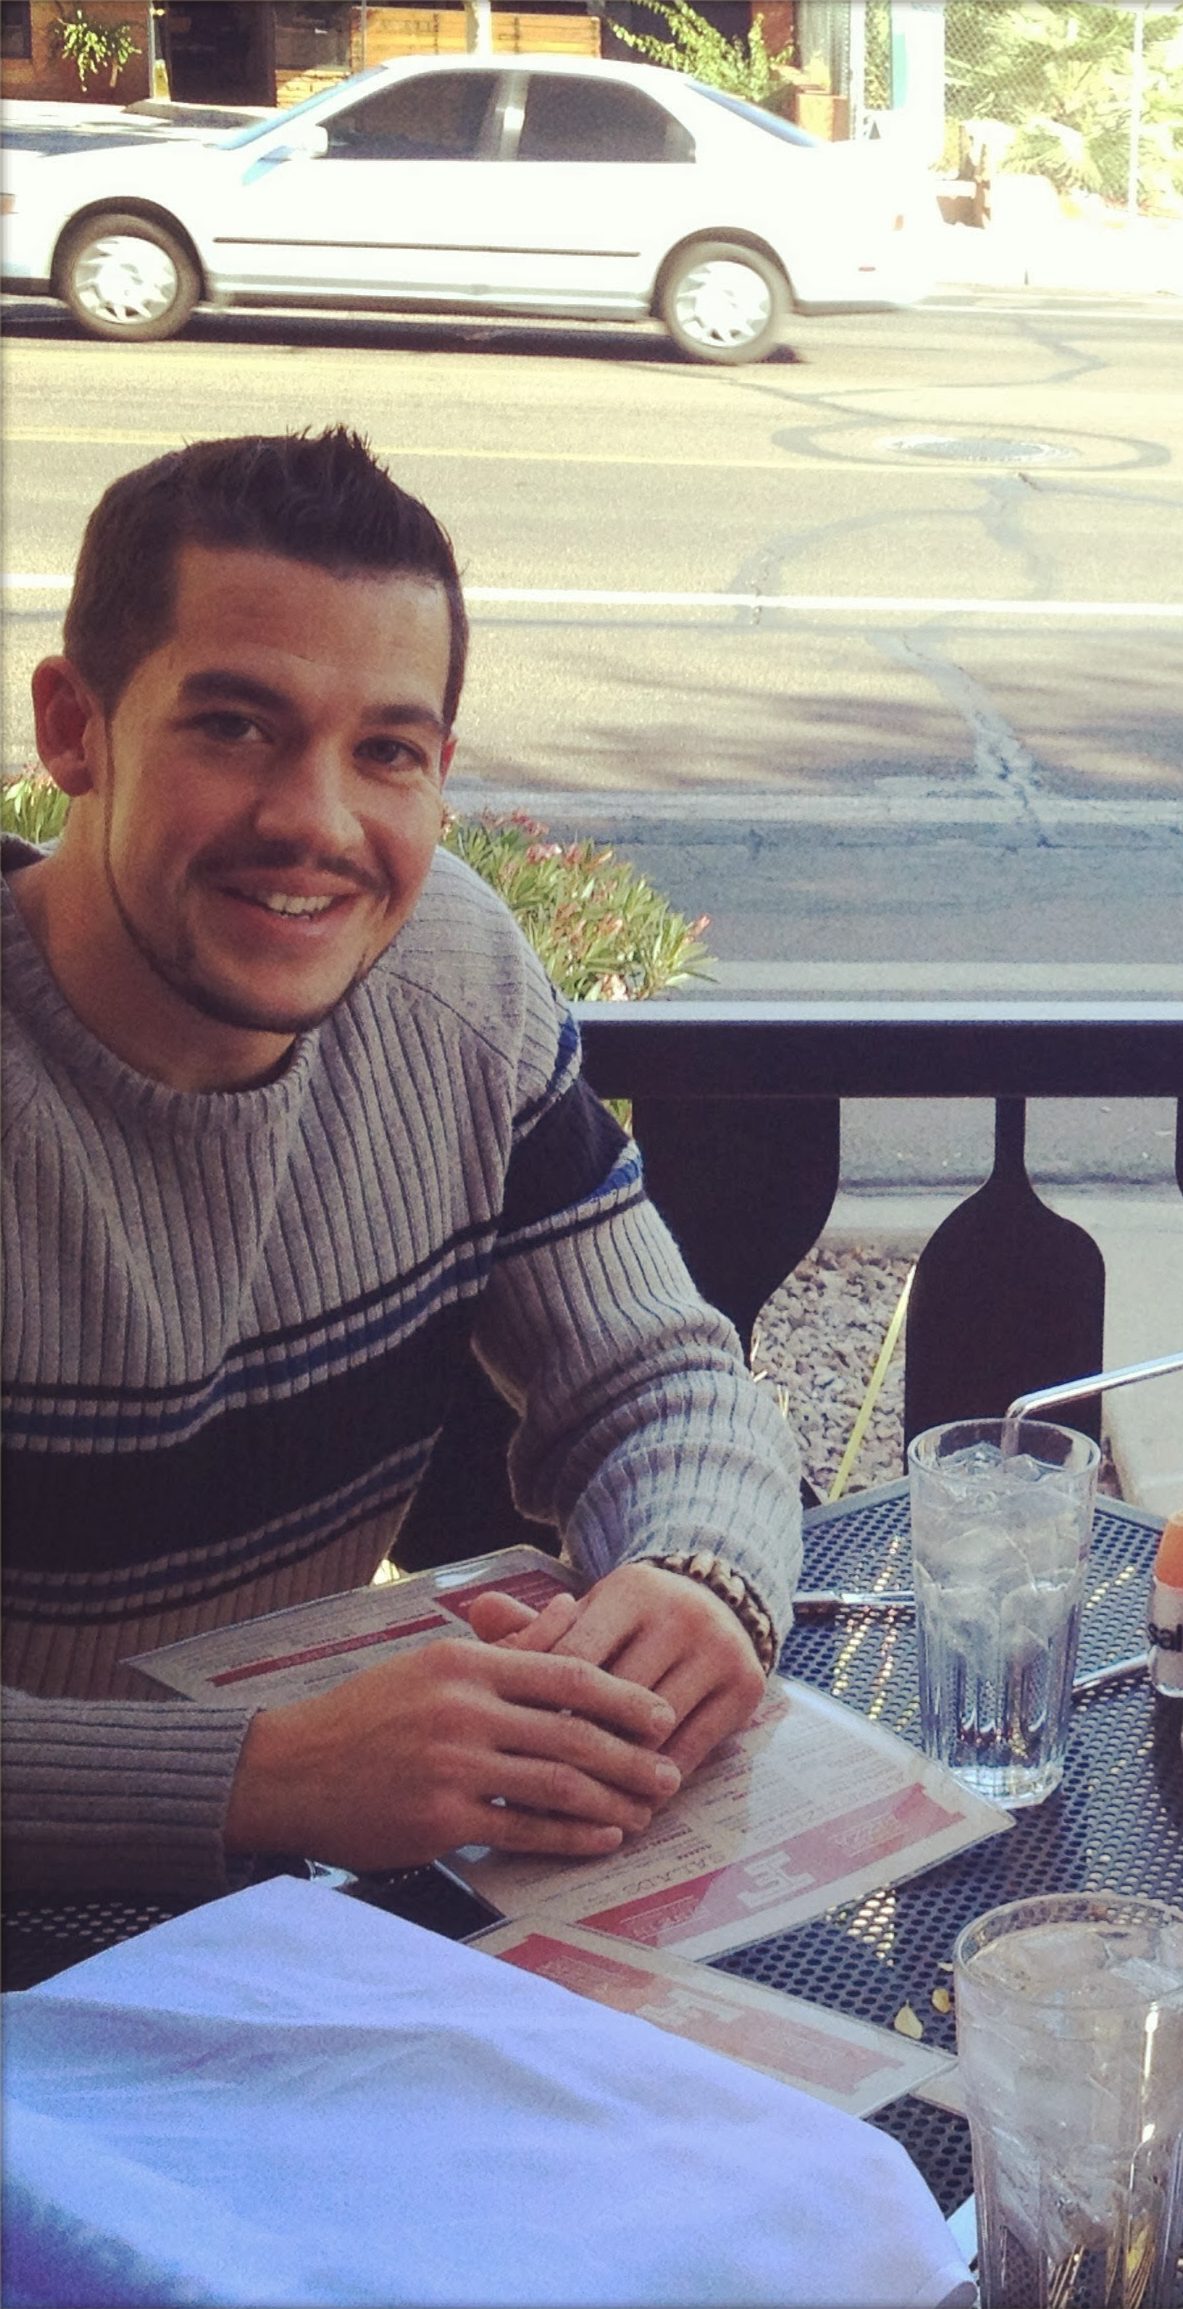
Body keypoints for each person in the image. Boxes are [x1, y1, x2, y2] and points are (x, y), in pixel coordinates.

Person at [2, 429, 805, 1904]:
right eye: (233, 726)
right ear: (75, 729)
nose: (316, 820)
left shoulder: (450, 973)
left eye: (386, 750)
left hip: (261, 1946)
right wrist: (269, 1774)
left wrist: (698, 1579)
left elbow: (660, 1381)